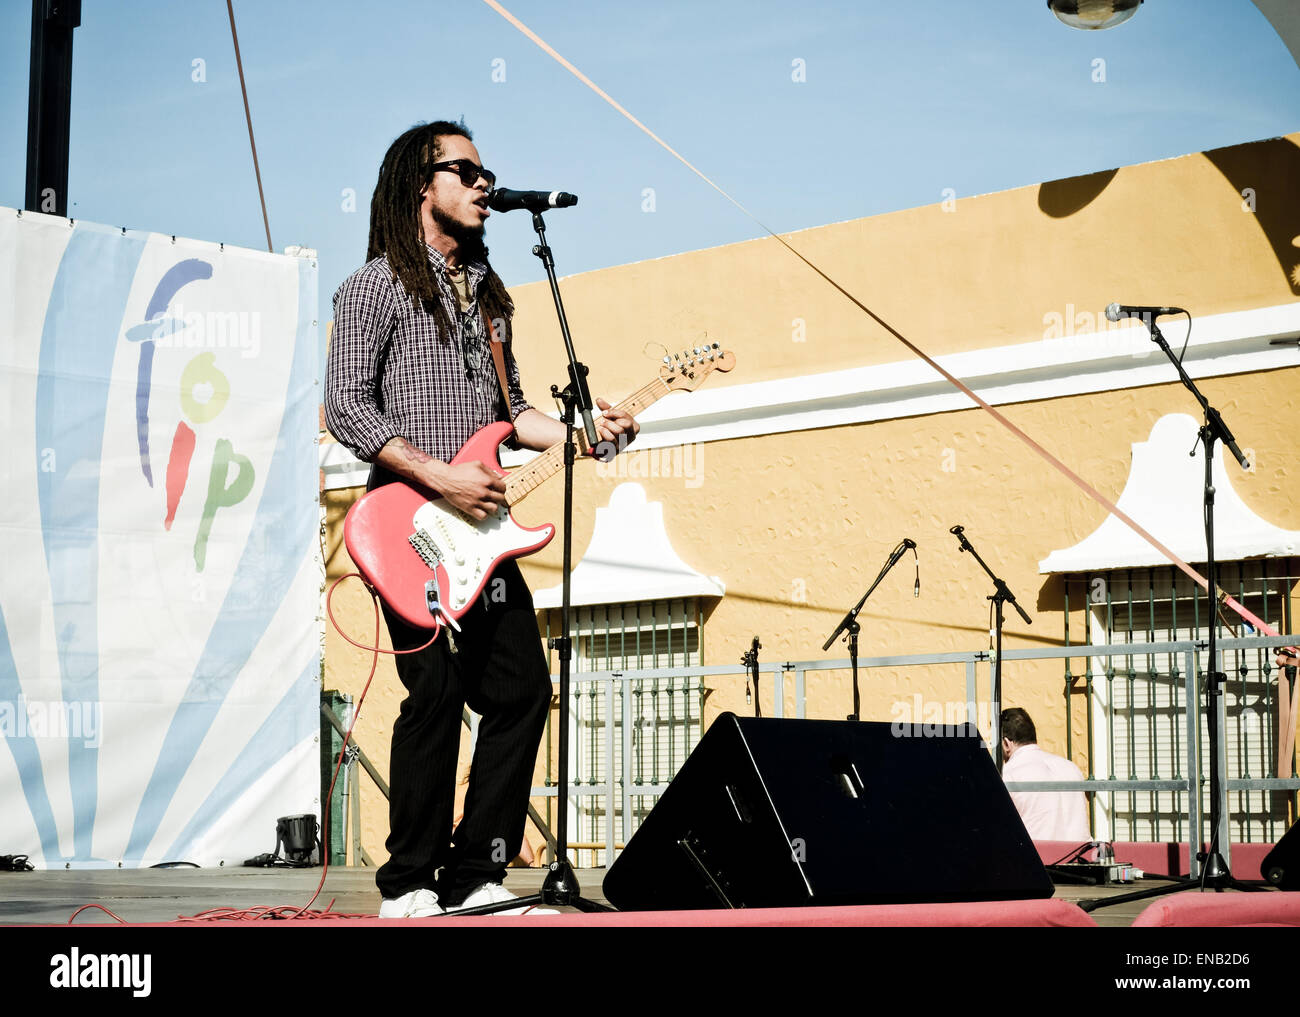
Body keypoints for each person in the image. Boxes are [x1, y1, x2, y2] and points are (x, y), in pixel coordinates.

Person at [324, 120, 638, 917]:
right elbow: (346, 407)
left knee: (524, 690)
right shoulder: (375, 286)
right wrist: (440, 478)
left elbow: (514, 410)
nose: (482, 183)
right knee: (433, 692)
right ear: (420, 186)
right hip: (409, 526)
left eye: (486, 170)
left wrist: (582, 432)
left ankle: (475, 873)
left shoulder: (492, 298)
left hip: (484, 537)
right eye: (463, 170)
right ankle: (409, 882)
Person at [999, 707, 1090, 842]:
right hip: (1079, 858)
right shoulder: (1071, 767)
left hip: (1038, 860)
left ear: (1006, 744)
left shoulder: (1008, 774)